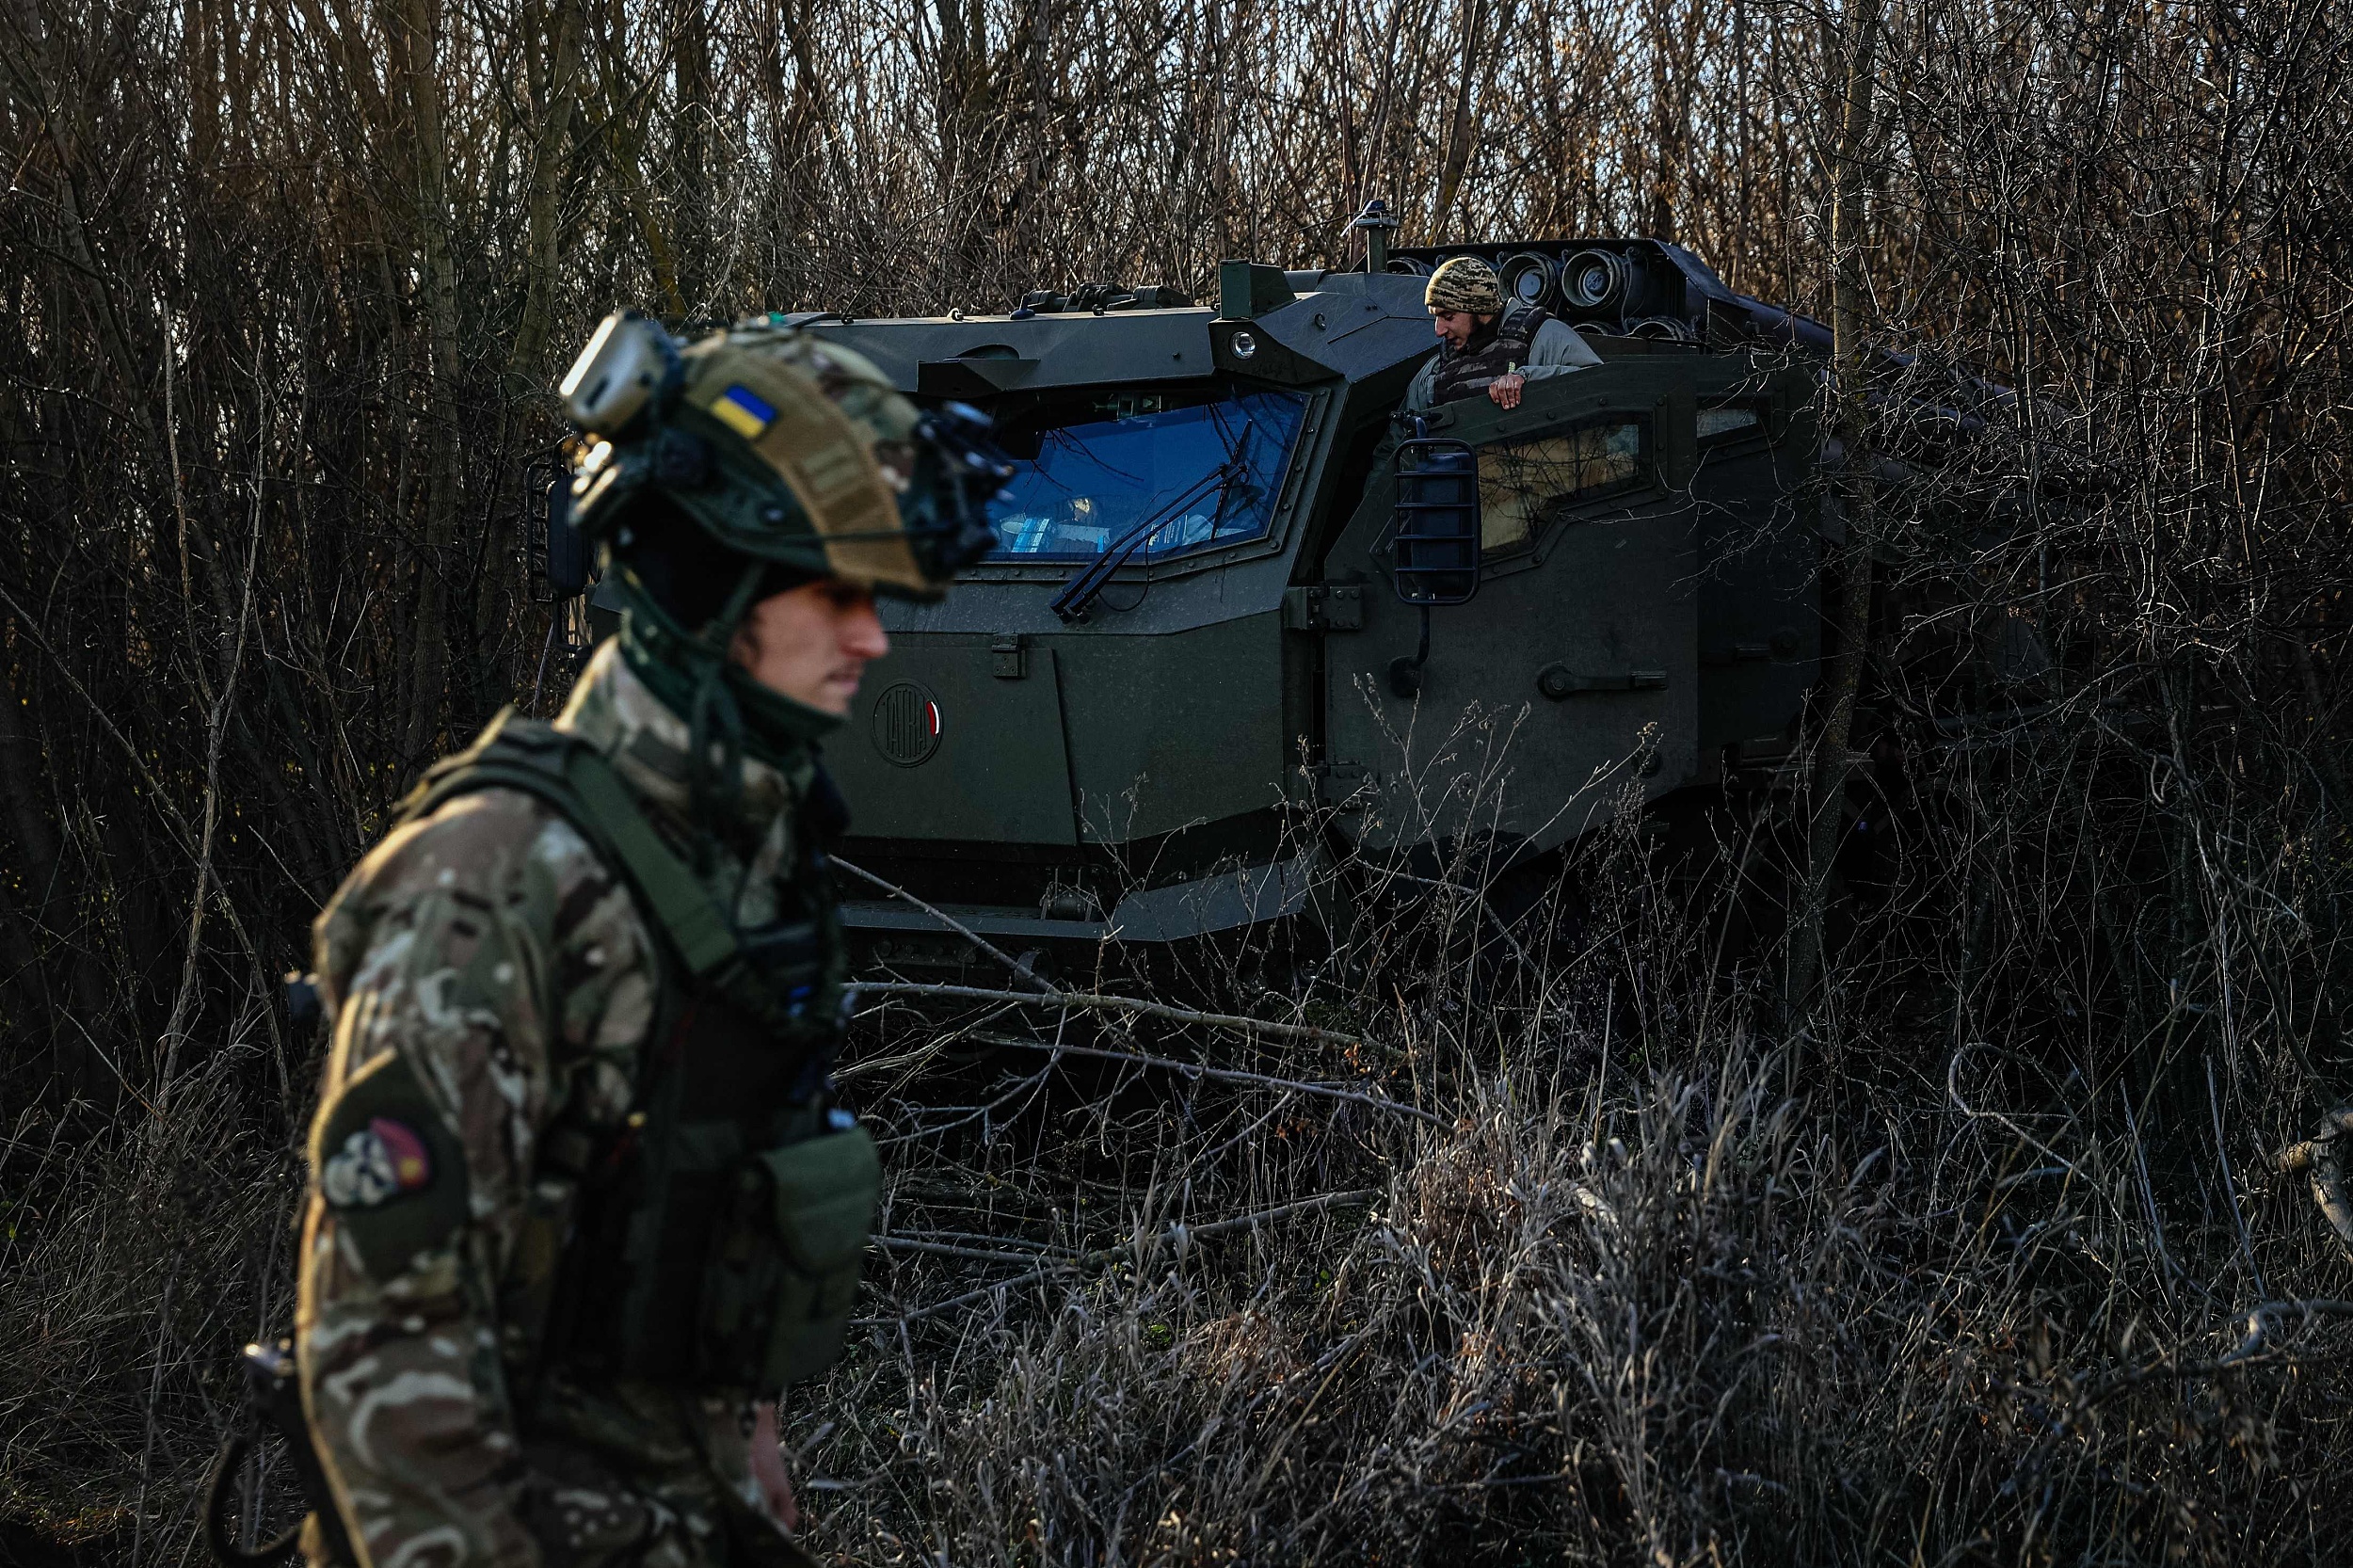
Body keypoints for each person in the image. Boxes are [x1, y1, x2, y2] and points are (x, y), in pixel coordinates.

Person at [292, 312, 1006, 1567]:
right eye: (836, 592)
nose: (874, 637)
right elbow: (384, 1376)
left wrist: (758, 1472)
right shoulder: (497, 884)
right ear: (707, 582)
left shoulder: (746, 847)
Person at [1403, 254, 1601, 412]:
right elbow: (1396, 443)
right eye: (1436, 317)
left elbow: (1600, 385)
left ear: (1478, 308)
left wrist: (1528, 379)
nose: (1438, 331)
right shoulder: (1437, 370)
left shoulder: (1541, 337)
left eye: (1448, 316)